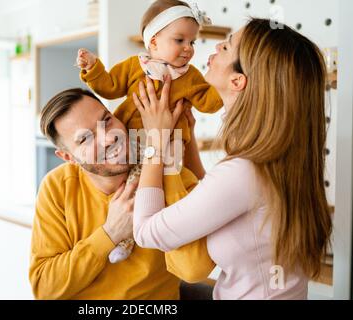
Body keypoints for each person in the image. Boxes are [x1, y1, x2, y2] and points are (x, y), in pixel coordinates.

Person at [132, 18, 333, 299]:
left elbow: (146, 231)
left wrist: (155, 140)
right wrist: (185, 136)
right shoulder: (278, 161)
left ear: (238, 80)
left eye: (226, 47)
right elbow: (217, 198)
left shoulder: (244, 172)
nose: (215, 46)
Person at [29, 88, 215, 300]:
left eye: (106, 120)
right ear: (68, 157)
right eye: (85, 140)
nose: (109, 138)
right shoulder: (57, 187)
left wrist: (160, 152)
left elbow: (193, 269)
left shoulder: (171, 174)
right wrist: (109, 234)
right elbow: (44, 288)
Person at [76, 0, 222, 263]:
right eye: (180, 40)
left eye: (192, 43)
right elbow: (109, 85)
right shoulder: (135, 66)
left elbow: (210, 101)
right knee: (129, 191)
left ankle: (177, 239)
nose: (188, 49)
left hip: (169, 149)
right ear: (153, 42)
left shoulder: (191, 77)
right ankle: (124, 239)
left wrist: (225, 85)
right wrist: (93, 69)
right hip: (130, 145)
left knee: (169, 193)